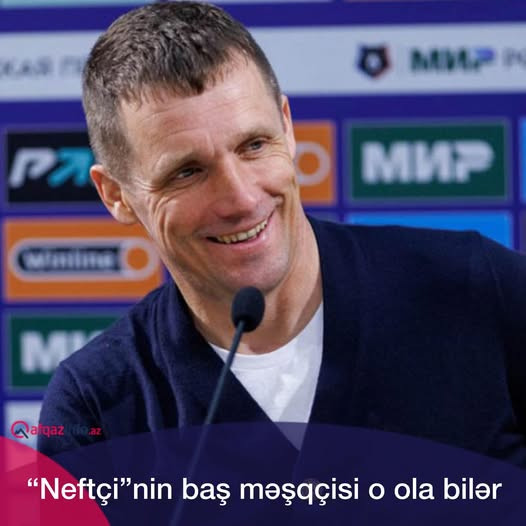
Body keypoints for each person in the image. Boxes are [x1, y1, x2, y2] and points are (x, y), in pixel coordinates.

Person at [38, 1, 526, 467]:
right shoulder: (96, 407)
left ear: (288, 127)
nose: (241, 199)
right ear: (116, 195)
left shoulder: (479, 291)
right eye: (187, 172)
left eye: (254, 145)